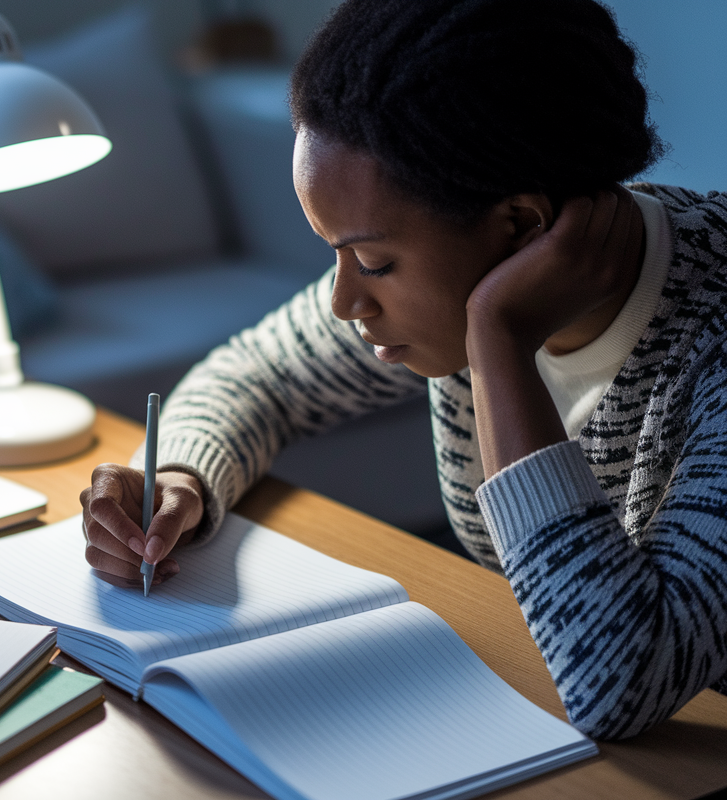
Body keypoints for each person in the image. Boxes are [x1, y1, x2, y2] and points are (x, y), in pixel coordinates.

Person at [79, 0, 727, 740]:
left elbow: (624, 681)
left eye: (375, 263)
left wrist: (498, 341)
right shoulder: (466, 280)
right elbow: (254, 374)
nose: (345, 301)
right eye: (336, 255)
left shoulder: (694, 331)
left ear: (520, 228)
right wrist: (182, 480)